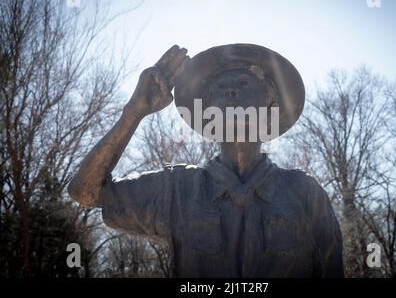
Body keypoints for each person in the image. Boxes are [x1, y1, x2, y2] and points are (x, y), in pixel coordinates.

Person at [68, 44, 344, 277]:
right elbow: (86, 192)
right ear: (208, 109)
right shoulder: (177, 189)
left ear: (270, 99)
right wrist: (134, 112)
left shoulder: (305, 193)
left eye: (244, 83)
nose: (231, 92)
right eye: (220, 88)